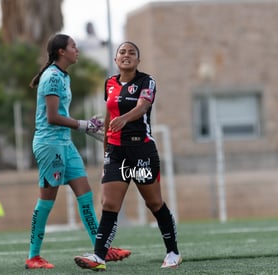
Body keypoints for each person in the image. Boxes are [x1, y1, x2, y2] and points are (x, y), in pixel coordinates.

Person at [25, 33, 131, 269]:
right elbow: (52, 117)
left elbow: (60, 115)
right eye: (73, 46)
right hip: (49, 144)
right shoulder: (52, 77)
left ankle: (101, 250)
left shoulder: (64, 76)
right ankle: (33, 256)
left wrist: (85, 126)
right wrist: (84, 125)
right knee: (47, 200)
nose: (77, 50)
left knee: (85, 194)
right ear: (62, 52)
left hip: (65, 142)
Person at [74, 41, 182, 271]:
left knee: (154, 203)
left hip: (141, 150)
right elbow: (108, 114)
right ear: (115, 59)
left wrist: (125, 118)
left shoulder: (146, 81)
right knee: (109, 203)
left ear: (138, 60)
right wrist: (105, 152)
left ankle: (173, 251)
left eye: (132, 53)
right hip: (115, 152)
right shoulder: (110, 83)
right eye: (122, 52)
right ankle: (99, 257)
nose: (126, 55)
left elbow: (143, 106)